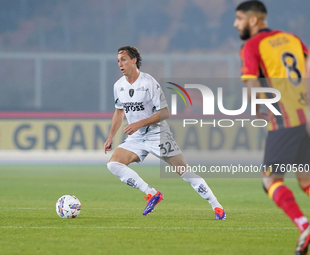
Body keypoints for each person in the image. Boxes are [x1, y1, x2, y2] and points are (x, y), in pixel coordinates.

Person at [104, 46, 226, 219]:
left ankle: (217, 207)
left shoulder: (149, 83)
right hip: (137, 137)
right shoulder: (119, 86)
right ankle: (151, 193)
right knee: (113, 164)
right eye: (118, 61)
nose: (120, 64)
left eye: (123, 59)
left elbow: (165, 113)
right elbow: (118, 112)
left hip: (157, 134)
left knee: (184, 171)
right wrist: (111, 137)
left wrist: (139, 123)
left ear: (134, 60)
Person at [233, 1, 310, 254]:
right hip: (306, 115)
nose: (236, 24)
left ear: (254, 20)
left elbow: (253, 82)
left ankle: (304, 225)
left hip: (285, 119)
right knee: (305, 178)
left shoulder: (252, 46)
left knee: (270, 180)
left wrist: (258, 111)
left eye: (239, 19)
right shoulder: (292, 39)